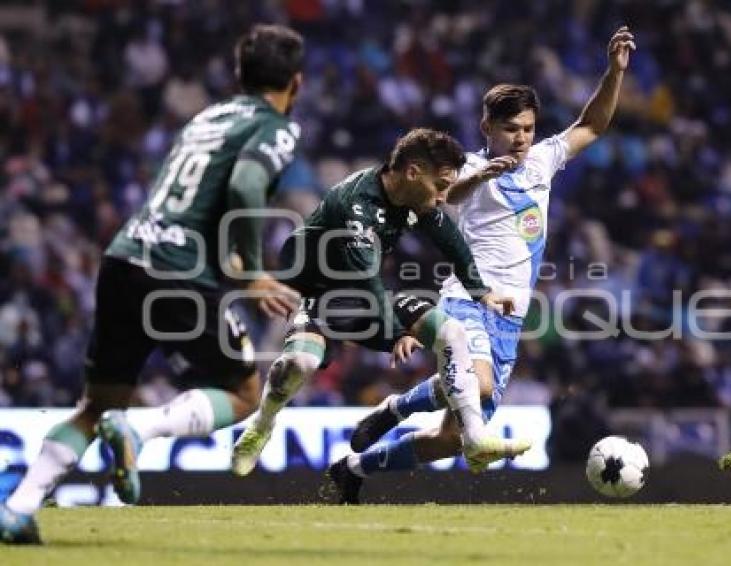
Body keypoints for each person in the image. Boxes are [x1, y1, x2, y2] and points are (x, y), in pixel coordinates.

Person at [1, 24, 306, 544]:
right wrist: (252, 270)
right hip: (177, 268)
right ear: (295, 84)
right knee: (244, 391)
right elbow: (248, 182)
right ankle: (138, 430)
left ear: (239, 74)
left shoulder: (208, 115)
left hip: (125, 255)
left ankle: (17, 510)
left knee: (95, 405)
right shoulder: (276, 125)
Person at [334, 26, 636, 502]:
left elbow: (592, 125)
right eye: (510, 129)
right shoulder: (467, 165)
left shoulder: (542, 161)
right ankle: (395, 413)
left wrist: (614, 73)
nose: (520, 139)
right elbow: (445, 196)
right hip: (469, 298)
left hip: (510, 315)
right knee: (479, 383)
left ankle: (357, 463)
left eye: (527, 129)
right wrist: (483, 176)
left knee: (452, 437)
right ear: (487, 130)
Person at [230, 128, 531, 501]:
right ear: (412, 172)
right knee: (300, 365)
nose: (443, 196)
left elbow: (450, 240)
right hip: (320, 297)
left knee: (451, 332)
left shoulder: (416, 199)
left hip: (368, 295)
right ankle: (263, 422)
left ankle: (474, 438)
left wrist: (481, 292)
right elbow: (365, 279)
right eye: (440, 185)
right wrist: (396, 334)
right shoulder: (358, 205)